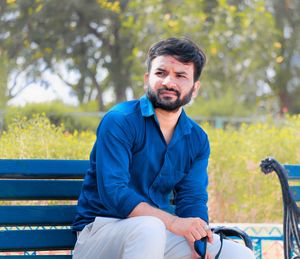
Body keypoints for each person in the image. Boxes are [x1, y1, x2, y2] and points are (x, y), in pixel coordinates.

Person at [72, 37, 255, 259]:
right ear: (147, 79)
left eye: (181, 75)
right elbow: (114, 193)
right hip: (100, 234)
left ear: (195, 88)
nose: (169, 82)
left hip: (157, 233)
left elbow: (192, 198)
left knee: (237, 255)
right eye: (161, 73)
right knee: (149, 228)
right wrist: (174, 223)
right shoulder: (120, 120)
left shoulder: (196, 139)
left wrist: (199, 241)